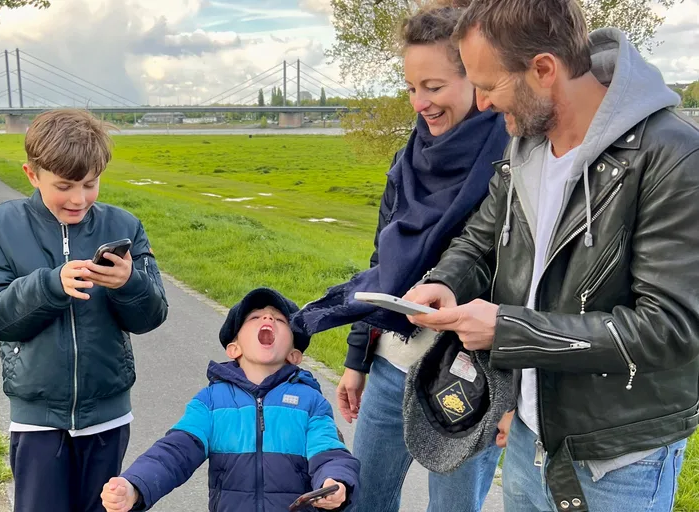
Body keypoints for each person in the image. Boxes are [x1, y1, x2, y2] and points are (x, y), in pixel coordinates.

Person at [404, 0, 699, 510]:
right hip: (527, 439)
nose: (481, 104)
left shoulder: (674, 157)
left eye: (489, 85)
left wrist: (508, 331)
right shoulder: (527, 142)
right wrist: (446, 281)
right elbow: (482, 238)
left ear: (543, 69)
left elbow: (670, 328)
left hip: (617, 460)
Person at [290, 5, 510, 511]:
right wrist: (356, 360)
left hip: (470, 376)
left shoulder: (514, 158)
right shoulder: (407, 159)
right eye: (411, 87)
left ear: (476, 79)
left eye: (434, 86)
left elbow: (523, 282)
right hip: (392, 364)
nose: (420, 103)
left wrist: (511, 394)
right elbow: (382, 266)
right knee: (362, 501)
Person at [0, 109, 169, 512]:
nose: (78, 199)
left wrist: (129, 283)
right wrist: (49, 285)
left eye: (90, 184)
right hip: (37, 419)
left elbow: (151, 316)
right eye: (64, 186)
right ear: (31, 174)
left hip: (108, 417)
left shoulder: (124, 226)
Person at [100, 287, 360, 512]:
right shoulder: (211, 402)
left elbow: (328, 452)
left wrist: (335, 481)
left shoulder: (310, 402)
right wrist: (135, 485)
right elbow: (174, 452)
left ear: (294, 354)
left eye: (281, 320)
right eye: (254, 317)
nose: (267, 318)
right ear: (234, 348)